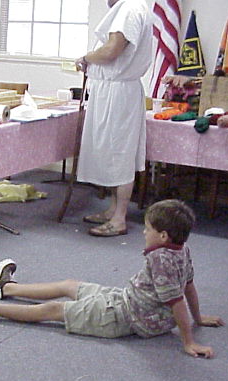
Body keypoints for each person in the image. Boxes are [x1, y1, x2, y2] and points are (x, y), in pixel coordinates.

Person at [0, 199, 224, 359]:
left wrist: (188, 340)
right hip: (126, 300)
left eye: (148, 229)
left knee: (54, 309)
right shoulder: (181, 249)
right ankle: (5, 288)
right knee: (69, 285)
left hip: (123, 317)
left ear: (163, 236)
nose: (144, 233)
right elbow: (189, 286)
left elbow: (177, 302)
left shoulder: (160, 259)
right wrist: (198, 318)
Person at [74, 0, 152, 237]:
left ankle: (119, 219)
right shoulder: (131, 7)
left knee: (120, 154)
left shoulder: (130, 8)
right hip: (114, 90)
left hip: (118, 93)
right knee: (111, 152)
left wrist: (86, 57)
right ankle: (112, 210)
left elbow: (111, 51)